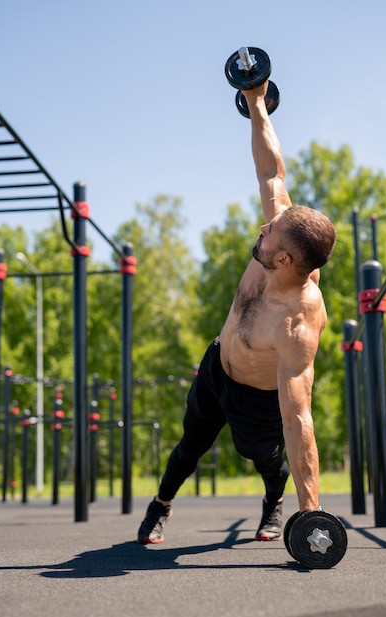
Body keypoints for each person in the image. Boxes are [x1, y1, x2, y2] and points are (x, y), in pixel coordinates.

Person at [137, 79, 337, 545]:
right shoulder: (278, 238)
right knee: (190, 445)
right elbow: (272, 175)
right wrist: (255, 102)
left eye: (271, 234)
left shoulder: (297, 322)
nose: (265, 227)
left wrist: (313, 514)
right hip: (217, 368)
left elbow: (298, 418)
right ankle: (160, 505)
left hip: (259, 397)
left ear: (286, 260)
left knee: (264, 457)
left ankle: (277, 503)